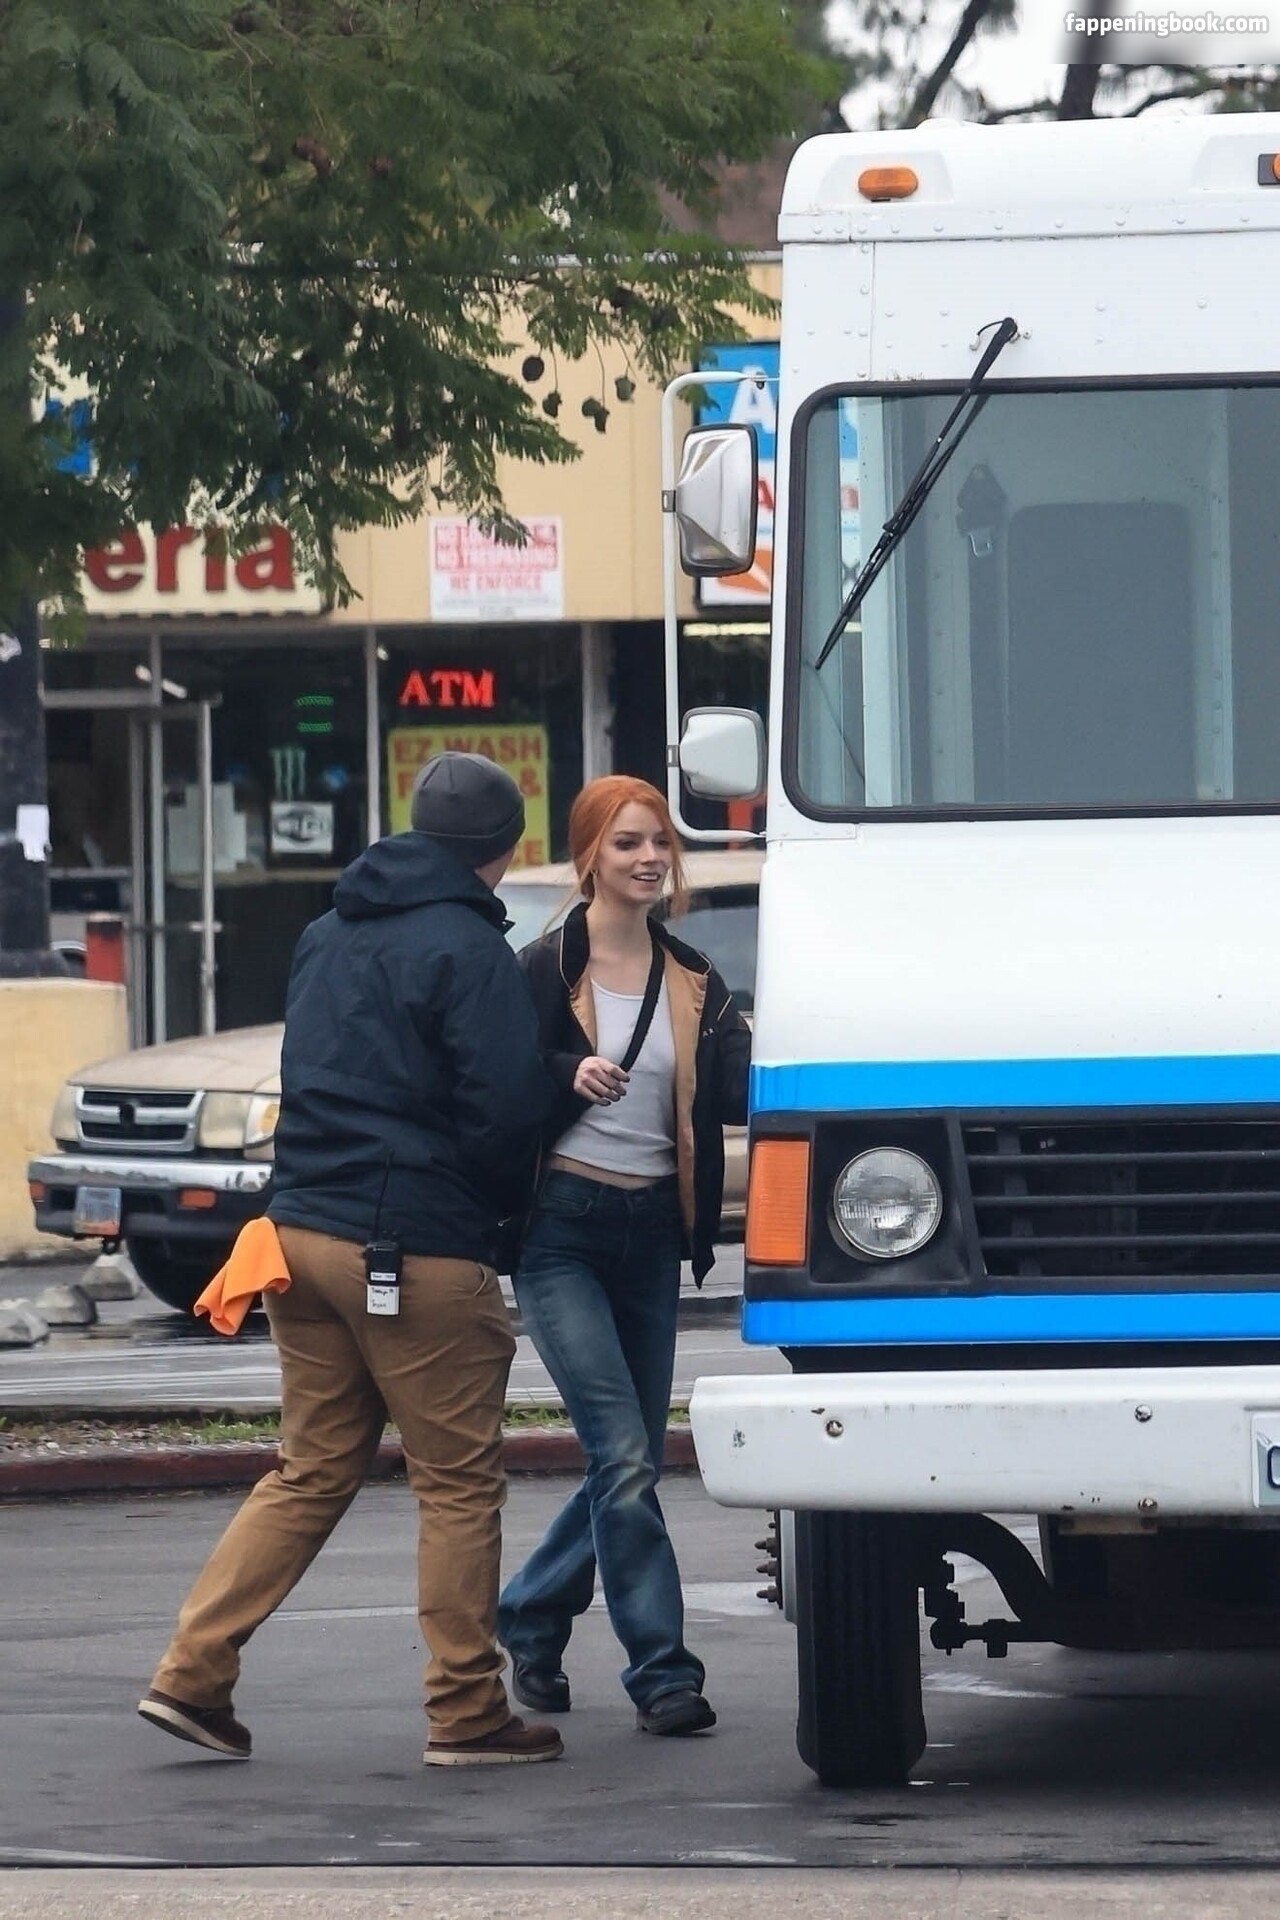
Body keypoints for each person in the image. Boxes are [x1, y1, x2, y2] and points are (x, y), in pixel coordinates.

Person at [138, 752, 563, 1768]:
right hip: (416, 1244)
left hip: (299, 1234)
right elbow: (507, 1112)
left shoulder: (326, 932)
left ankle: (191, 1674)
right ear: (504, 849)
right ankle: (467, 1711)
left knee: (310, 1469)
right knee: (457, 1484)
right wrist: (500, 1209)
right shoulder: (472, 950)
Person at [498, 775, 751, 1737]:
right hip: (560, 1229)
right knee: (627, 1457)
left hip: (651, 1234)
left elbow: (736, 1087)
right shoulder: (539, 969)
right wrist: (566, 1071)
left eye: (659, 843)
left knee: (625, 1460)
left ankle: (530, 1612)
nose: (649, 859)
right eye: (627, 843)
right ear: (589, 858)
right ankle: (662, 1671)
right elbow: (494, 1085)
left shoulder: (694, 978)